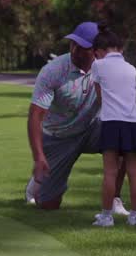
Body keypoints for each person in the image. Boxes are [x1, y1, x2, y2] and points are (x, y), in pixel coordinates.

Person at [25, 22, 128, 211]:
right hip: (59, 138)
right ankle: (38, 183)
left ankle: (114, 199)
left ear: (96, 50)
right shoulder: (53, 71)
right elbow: (35, 116)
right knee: (49, 205)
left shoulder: (107, 67)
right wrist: (38, 157)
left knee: (124, 142)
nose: (75, 50)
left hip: (91, 128)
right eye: (73, 44)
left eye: (83, 47)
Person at [89, 27, 136, 227]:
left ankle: (106, 216)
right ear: (120, 48)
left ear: (99, 50)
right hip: (133, 122)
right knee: (134, 171)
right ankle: (135, 216)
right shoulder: (131, 68)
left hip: (112, 122)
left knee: (110, 172)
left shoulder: (98, 65)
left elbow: (99, 96)